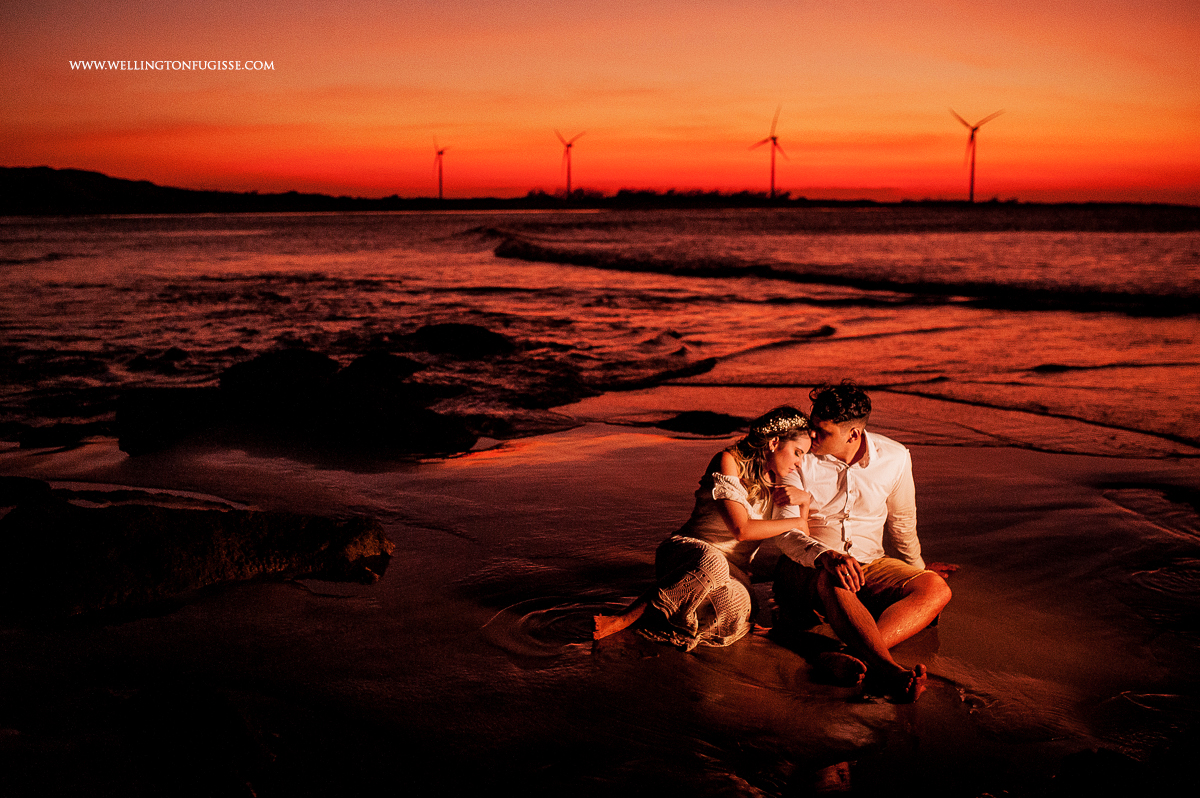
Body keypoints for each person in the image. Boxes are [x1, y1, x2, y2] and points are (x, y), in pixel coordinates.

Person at [774, 382, 952, 702]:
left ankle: (848, 654)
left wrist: (917, 572)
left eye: (823, 431)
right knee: (836, 576)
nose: (811, 435)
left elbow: (902, 522)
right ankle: (888, 670)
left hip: (870, 563)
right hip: (807, 566)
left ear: (853, 434)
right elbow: (783, 532)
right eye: (812, 426)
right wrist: (825, 555)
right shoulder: (797, 457)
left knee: (936, 588)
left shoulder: (895, 457)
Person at [594, 406, 814, 650]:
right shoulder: (728, 461)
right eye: (797, 453)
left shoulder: (781, 480)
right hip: (689, 554)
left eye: (803, 456)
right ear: (774, 443)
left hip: (733, 571)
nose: (799, 463)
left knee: (735, 606)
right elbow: (741, 530)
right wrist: (797, 521)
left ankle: (668, 618)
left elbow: (798, 537)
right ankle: (624, 619)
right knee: (713, 563)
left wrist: (804, 504)